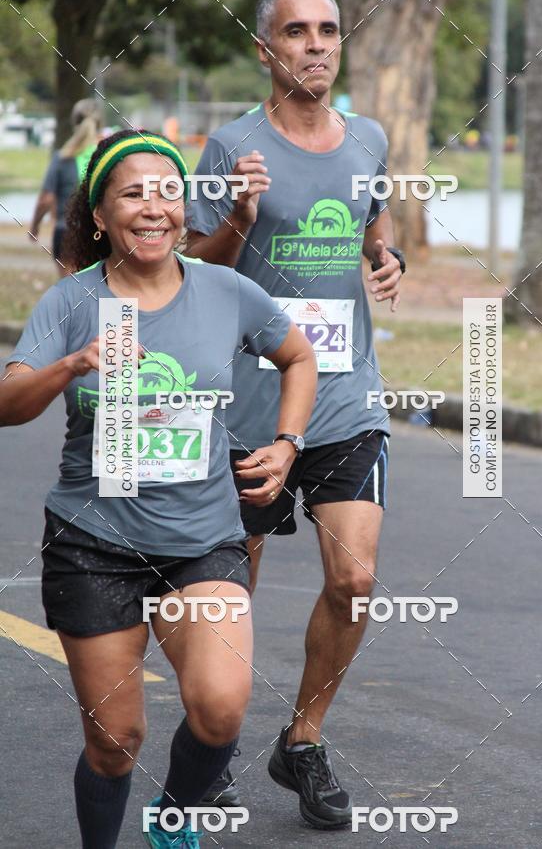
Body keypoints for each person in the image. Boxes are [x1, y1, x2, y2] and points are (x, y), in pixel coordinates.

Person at [1, 129, 317, 848]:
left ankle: (172, 820)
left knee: (221, 708)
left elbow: (297, 357)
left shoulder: (227, 291)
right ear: (101, 216)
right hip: (95, 542)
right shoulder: (73, 300)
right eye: (133, 194)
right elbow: (8, 401)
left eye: (169, 192)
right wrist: (72, 364)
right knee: (116, 741)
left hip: (202, 537)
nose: (154, 207)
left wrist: (287, 444)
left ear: (185, 209)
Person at [185, 0, 404, 829]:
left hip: (347, 396)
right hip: (249, 404)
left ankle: (302, 741)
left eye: (327, 30)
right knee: (232, 587)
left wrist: (386, 263)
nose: (315, 44)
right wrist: (239, 213)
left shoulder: (369, 139)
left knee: (354, 577)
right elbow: (195, 274)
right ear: (264, 47)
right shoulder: (231, 146)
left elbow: (372, 230)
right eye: (297, 32)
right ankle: (213, 744)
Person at [29, 98, 103, 275]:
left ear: (73, 122)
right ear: (100, 123)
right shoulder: (106, 156)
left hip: (67, 232)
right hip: (102, 233)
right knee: (107, 293)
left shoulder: (62, 157)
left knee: (72, 292)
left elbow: (46, 199)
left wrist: (35, 227)